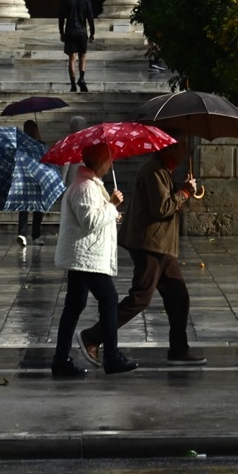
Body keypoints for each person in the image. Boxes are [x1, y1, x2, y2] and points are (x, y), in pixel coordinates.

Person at [77, 136, 207, 366]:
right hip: (151, 244)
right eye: (184, 147)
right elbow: (161, 208)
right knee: (140, 298)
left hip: (163, 247)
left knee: (178, 296)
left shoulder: (163, 169)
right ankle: (92, 336)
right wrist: (185, 193)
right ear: (172, 148)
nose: (188, 152)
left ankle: (179, 349)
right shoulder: (154, 170)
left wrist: (183, 189)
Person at [52, 143, 138, 377]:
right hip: (86, 256)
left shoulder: (89, 185)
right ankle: (111, 356)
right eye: (109, 159)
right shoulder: (85, 187)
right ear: (99, 160)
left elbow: (93, 217)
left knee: (74, 305)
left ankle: (61, 359)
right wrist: (112, 206)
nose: (111, 164)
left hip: (83, 254)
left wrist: (110, 210)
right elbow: (89, 220)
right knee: (108, 298)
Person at [58, 0, 95, 93]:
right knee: (82, 56)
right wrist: (92, 32)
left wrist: (61, 32)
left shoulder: (66, 0)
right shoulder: (86, 0)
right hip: (82, 31)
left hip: (70, 31)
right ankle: (82, 78)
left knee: (72, 58)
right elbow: (90, 18)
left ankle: (73, 84)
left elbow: (61, 18)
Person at [17, 119, 45, 247]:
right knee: (38, 209)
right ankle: (36, 235)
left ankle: (22, 234)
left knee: (24, 208)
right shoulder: (40, 144)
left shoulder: (21, 145)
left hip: (24, 178)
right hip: (37, 178)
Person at [136, 0, 164, 72]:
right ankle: (155, 62)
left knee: (150, 40)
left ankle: (152, 63)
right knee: (156, 40)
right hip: (154, 18)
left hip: (146, 18)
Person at [61, 115, 88, 187]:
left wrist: (62, 182)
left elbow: (65, 165)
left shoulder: (68, 142)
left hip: (73, 181)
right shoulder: (90, 140)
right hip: (87, 179)